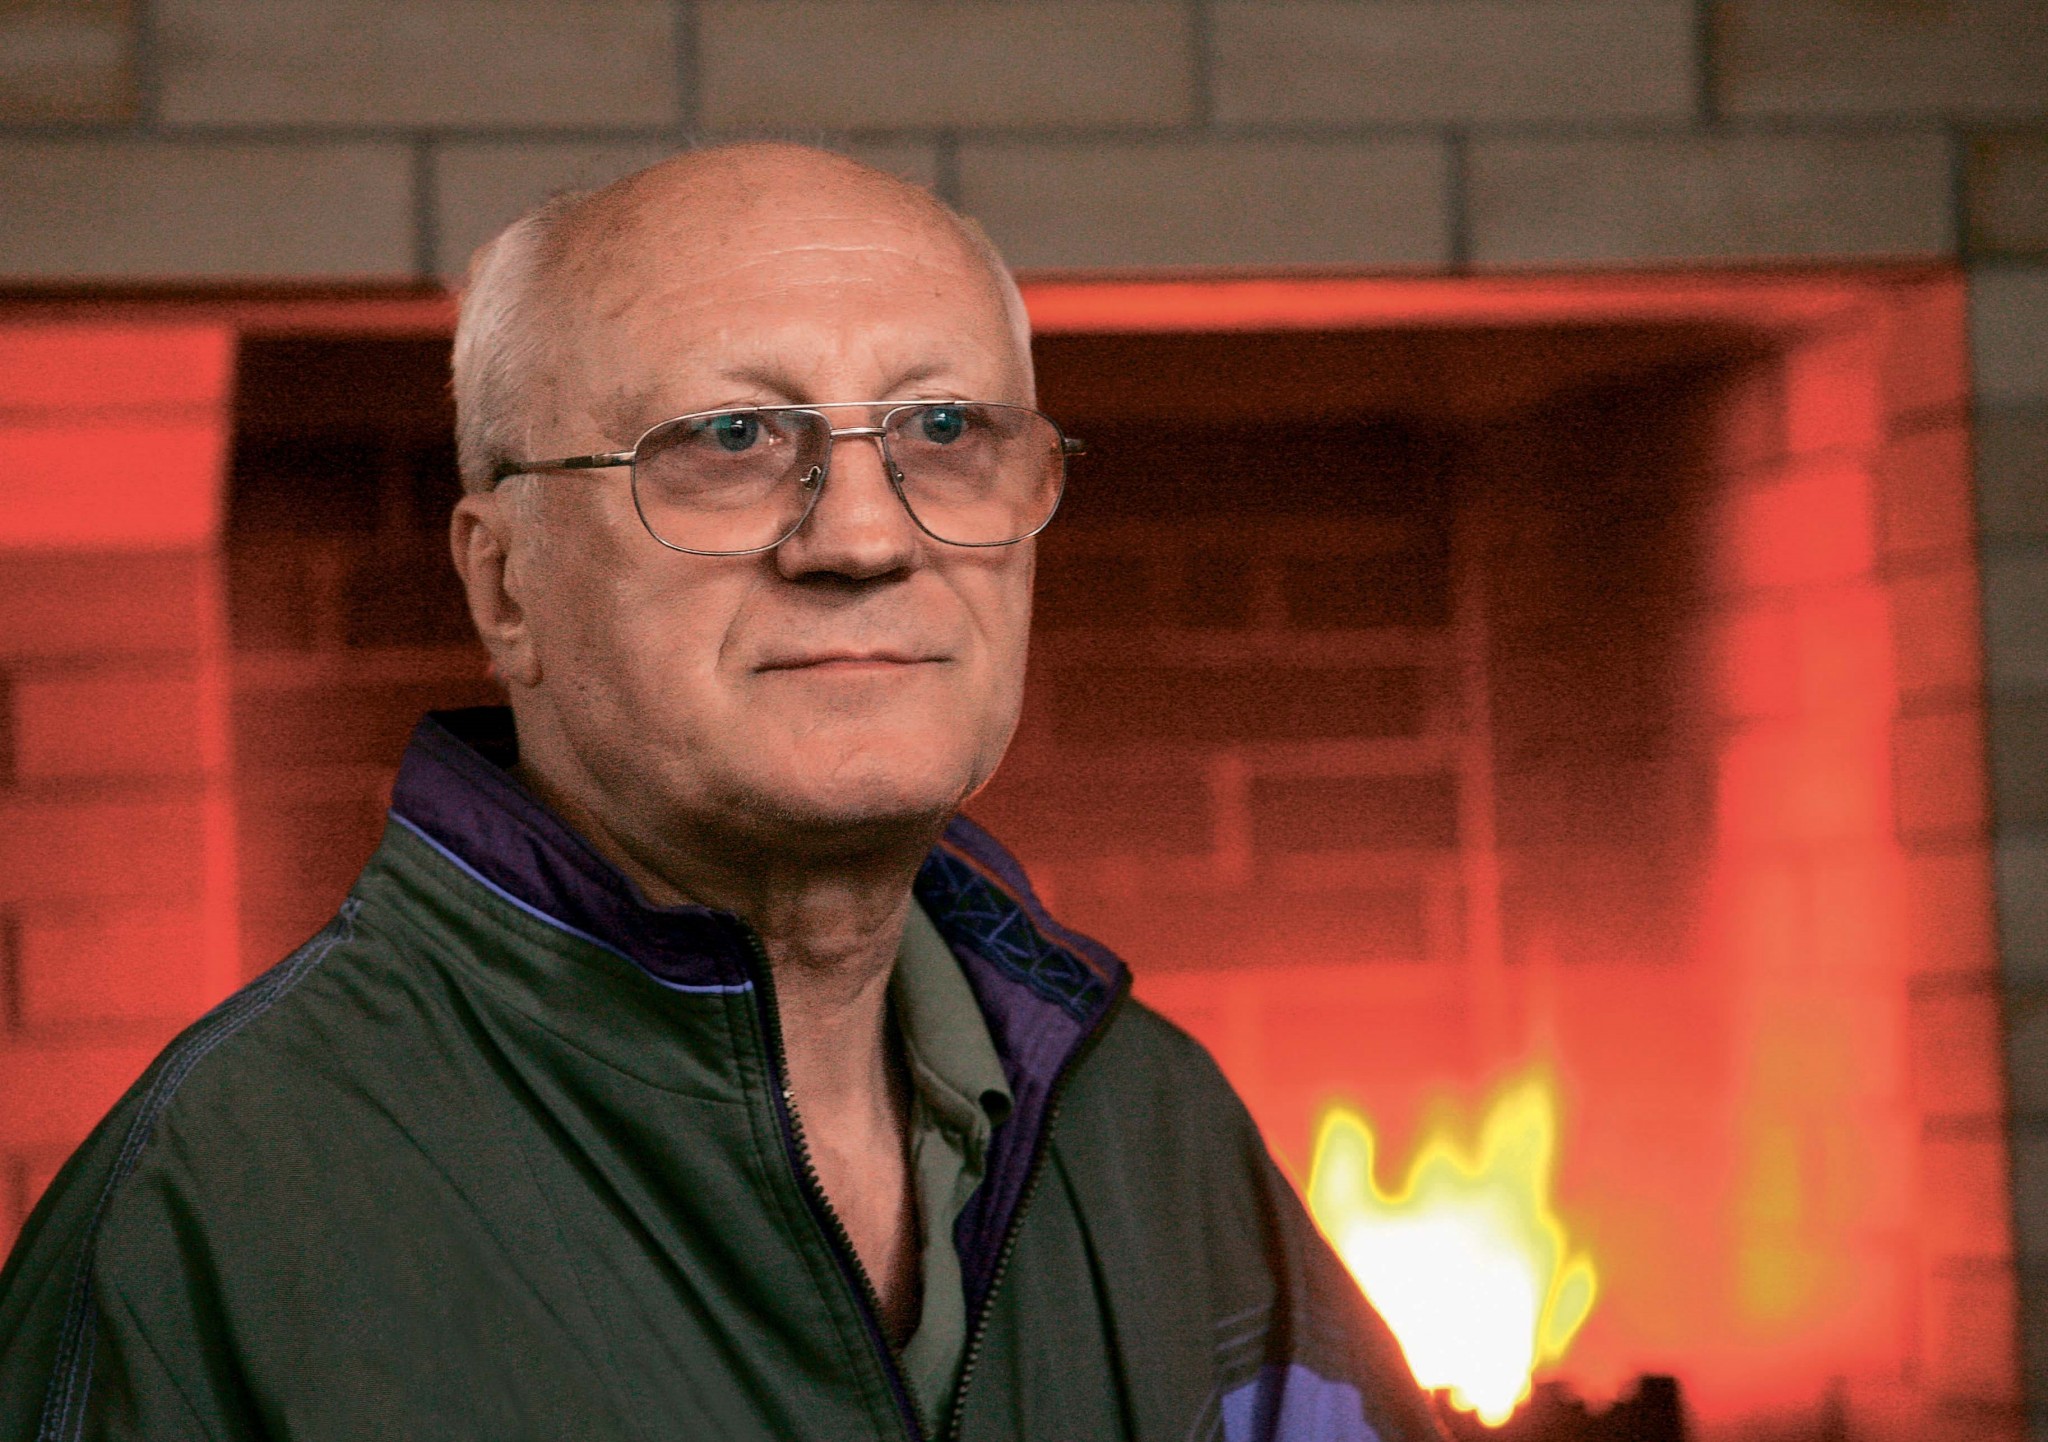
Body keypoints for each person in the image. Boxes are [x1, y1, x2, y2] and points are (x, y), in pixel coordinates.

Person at [0, 144, 1440, 1442]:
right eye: (730, 441)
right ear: (505, 584)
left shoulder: (1148, 1122)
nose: (864, 539)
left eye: (945, 429)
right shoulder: (214, 1214)